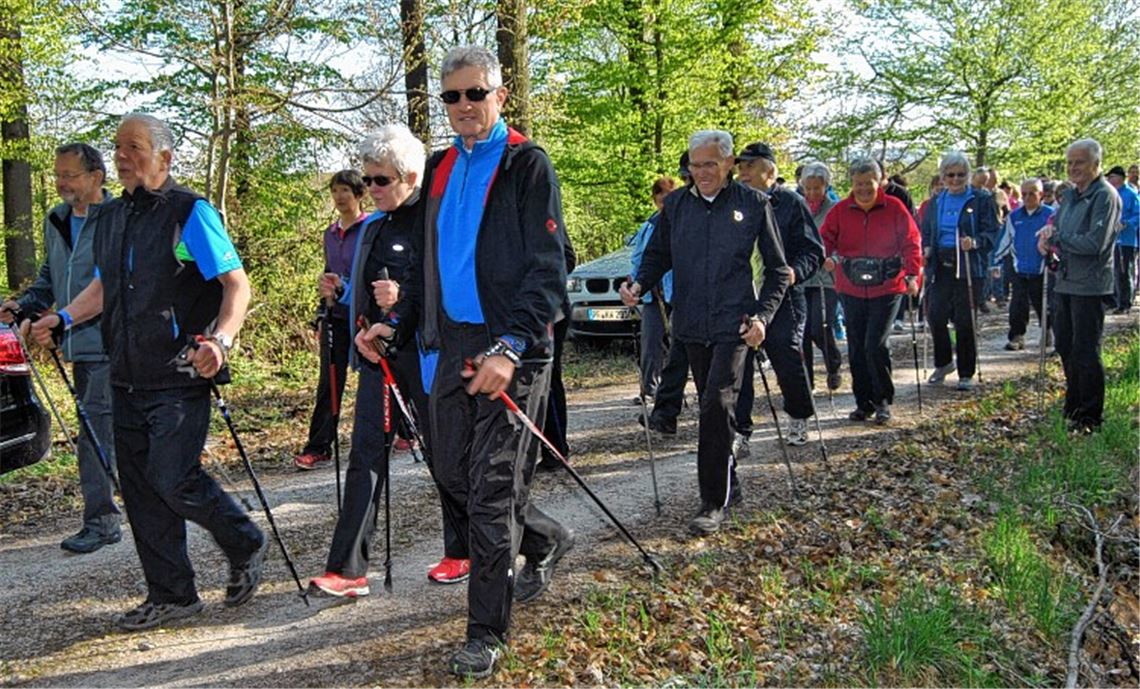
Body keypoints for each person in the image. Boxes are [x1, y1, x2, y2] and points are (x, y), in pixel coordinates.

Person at [374, 46, 571, 679]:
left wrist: (511, 347)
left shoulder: (526, 165)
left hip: (511, 346)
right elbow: (424, 268)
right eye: (452, 97)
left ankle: (485, 630)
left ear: (499, 95)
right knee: (455, 479)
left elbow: (549, 273)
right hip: (449, 345)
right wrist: (394, 324)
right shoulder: (436, 168)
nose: (463, 107)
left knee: (489, 494)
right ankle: (543, 539)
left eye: (475, 94)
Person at [31, 113, 265, 630]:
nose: (122, 156)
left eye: (134, 147)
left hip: (180, 373)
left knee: (172, 477)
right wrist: (63, 316)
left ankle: (244, 539)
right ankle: (173, 594)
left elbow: (236, 285)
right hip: (126, 373)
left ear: (164, 156)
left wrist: (222, 342)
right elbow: (103, 286)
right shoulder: (111, 217)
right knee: (139, 491)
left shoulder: (189, 213)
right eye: (117, 147)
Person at [307, 124, 466, 596]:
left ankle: (468, 549)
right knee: (365, 456)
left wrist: (400, 306)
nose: (371, 189)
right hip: (380, 355)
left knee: (445, 457)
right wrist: (346, 303)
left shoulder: (436, 220)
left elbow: (439, 287)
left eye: (381, 180)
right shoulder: (374, 225)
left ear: (411, 176)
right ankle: (348, 569)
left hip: (428, 356)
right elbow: (364, 290)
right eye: (368, 179)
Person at [622, 129, 791, 535]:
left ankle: (711, 501)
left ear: (729, 164)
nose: (702, 173)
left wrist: (762, 317)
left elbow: (778, 271)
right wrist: (639, 284)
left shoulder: (753, 204)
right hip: (691, 323)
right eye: (695, 166)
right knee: (712, 404)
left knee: (716, 403)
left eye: (710, 164)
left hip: (735, 324)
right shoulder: (677, 205)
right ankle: (729, 479)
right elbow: (658, 255)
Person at [1, 143, 121, 554]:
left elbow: (113, 285)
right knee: (100, 429)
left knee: (95, 430)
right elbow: (50, 279)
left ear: (96, 176)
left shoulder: (119, 219)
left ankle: (104, 521)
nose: (61, 182)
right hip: (79, 345)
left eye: (69, 175)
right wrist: (24, 305)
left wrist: (63, 318)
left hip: (114, 340)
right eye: (58, 174)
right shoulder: (57, 219)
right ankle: (121, 513)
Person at [733, 142, 824, 450]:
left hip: (783, 296)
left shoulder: (790, 202)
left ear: (769, 171)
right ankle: (740, 430)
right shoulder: (734, 202)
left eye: (750, 166)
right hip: (744, 297)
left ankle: (799, 414)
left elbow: (813, 250)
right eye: (740, 167)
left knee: (785, 353)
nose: (742, 172)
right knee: (739, 362)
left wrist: (794, 272)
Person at [819, 158, 921, 424]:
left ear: (880, 183)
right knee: (855, 346)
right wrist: (826, 256)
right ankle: (863, 403)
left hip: (887, 286)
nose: (864, 189)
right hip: (851, 285)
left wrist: (912, 273)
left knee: (874, 344)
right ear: (852, 184)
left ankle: (883, 400)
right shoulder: (840, 211)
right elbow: (824, 239)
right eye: (859, 184)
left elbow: (911, 241)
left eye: (869, 183)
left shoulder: (895, 208)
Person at [1038, 139, 1122, 433]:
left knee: (1086, 350)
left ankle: (1090, 416)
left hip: (1091, 285)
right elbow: (1057, 227)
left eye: (1080, 162)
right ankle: (1073, 406)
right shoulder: (1072, 196)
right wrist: (1047, 235)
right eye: (1070, 163)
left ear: (1096, 164)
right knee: (1064, 345)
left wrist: (1059, 238)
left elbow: (1095, 244)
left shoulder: (1105, 196)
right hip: (1065, 281)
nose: (1074, 168)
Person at [293, 171, 368, 470]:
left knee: (378, 380)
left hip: (365, 316)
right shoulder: (330, 233)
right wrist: (319, 315)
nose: (339, 197)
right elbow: (327, 272)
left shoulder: (370, 228)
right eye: (335, 191)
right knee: (330, 383)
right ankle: (319, 446)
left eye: (345, 191)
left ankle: (400, 431)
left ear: (359, 194)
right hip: (335, 315)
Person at [919, 151, 1000, 391]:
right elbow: (927, 229)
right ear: (942, 176)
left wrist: (975, 242)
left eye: (960, 175)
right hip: (940, 262)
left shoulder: (981, 199)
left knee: (964, 320)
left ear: (968, 175)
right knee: (935, 314)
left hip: (967, 263)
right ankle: (944, 362)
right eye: (950, 175)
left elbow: (993, 232)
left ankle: (966, 371)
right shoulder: (936, 201)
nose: (955, 179)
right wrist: (926, 246)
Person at [990, 179, 1053, 350]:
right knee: (1018, 303)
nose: (1027, 197)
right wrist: (995, 262)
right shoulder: (1014, 216)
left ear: (1040, 195)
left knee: (1043, 303)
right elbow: (1004, 241)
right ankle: (1017, 336)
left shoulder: (1051, 215)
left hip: (1042, 268)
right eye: (1024, 193)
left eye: (1032, 193)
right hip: (1019, 267)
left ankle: (1047, 331)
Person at [629, 176, 676, 400]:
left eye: (668, 197)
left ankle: (672, 390)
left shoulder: (682, 220)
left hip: (677, 293)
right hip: (652, 294)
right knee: (651, 342)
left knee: (678, 343)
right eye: (660, 198)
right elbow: (639, 258)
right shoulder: (648, 226)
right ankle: (649, 388)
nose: (663, 203)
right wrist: (636, 283)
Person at [799, 161, 842, 393]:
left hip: (826, 279)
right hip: (802, 278)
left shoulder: (835, 209)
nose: (813, 193)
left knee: (819, 326)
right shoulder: (797, 207)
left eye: (817, 188)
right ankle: (807, 382)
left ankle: (833, 364)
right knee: (802, 331)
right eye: (808, 188)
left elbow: (844, 242)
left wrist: (834, 259)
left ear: (826, 186)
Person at [1106, 165, 1139, 314]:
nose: (1109, 180)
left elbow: (1138, 214)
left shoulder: (1131, 194)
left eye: (1111, 177)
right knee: (1113, 271)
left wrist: (1126, 223)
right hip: (1111, 239)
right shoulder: (1109, 194)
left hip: (1126, 240)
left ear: (1119, 178)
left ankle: (1125, 303)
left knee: (1125, 271)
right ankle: (1114, 300)